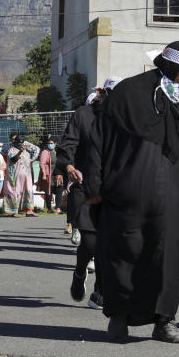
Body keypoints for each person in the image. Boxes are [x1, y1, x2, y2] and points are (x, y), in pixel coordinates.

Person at [84, 41, 179, 343]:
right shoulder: (129, 94)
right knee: (125, 255)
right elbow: (97, 141)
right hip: (129, 197)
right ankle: (119, 319)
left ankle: (165, 320)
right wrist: (94, 186)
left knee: (172, 260)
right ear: (168, 66)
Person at [58, 77, 118, 309]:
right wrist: (69, 166)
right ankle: (80, 272)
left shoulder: (125, 121)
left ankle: (100, 292)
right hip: (86, 186)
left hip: (114, 190)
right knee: (91, 242)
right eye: (110, 93)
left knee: (109, 244)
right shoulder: (84, 114)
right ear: (102, 93)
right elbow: (67, 145)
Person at [3, 132, 40, 216]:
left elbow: (34, 152)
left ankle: (28, 210)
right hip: (14, 177)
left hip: (26, 176)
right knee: (15, 191)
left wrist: (32, 159)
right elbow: (13, 159)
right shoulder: (11, 150)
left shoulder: (25, 151)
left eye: (21, 143)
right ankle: (14, 211)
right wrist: (19, 152)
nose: (20, 145)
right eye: (19, 143)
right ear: (14, 143)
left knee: (28, 190)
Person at [36, 135, 62, 213]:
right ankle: (49, 209)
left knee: (59, 190)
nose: (50, 144)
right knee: (49, 191)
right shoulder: (45, 152)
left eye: (51, 143)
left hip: (57, 174)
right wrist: (44, 174)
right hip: (48, 174)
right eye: (48, 143)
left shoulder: (57, 152)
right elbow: (42, 164)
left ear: (55, 144)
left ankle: (57, 208)